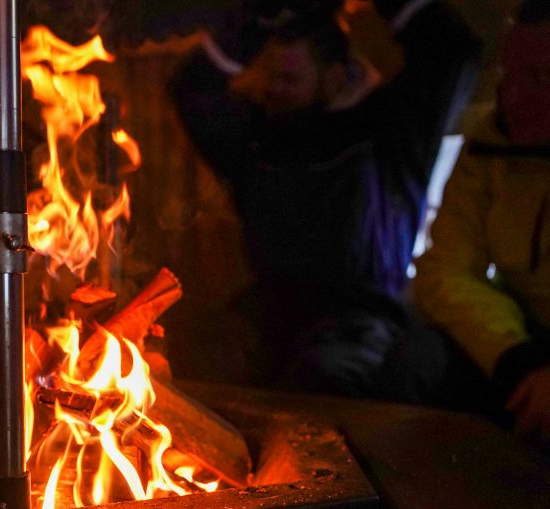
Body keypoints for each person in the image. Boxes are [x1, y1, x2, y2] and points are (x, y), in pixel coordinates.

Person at [169, 0, 480, 396]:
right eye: (270, 77)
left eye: (289, 79)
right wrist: (258, 20)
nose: (273, 90)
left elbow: (451, 54)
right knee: (184, 353)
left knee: (322, 376)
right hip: (269, 315)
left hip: (360, 325)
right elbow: (194, 88)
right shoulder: (259, 140)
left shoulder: (388, 136)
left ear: (333, 78)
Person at [389, 0, 550, 449]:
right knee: (418, 360)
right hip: (524, 340)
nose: (513, 98)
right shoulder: (489, 144)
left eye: (539, 79)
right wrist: (519, 360)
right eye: (507, 76)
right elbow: (445, 270)